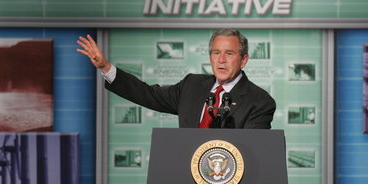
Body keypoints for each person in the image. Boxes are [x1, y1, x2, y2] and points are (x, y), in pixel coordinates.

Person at [76, 28, 276, 129]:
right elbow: (148, 94)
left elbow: (253, 153)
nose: (221, 60)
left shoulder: (259, 102)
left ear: (244, 60)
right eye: (216, 53)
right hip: (186, 182)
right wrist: (106, 67)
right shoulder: (192, 85)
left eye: (229, 54)